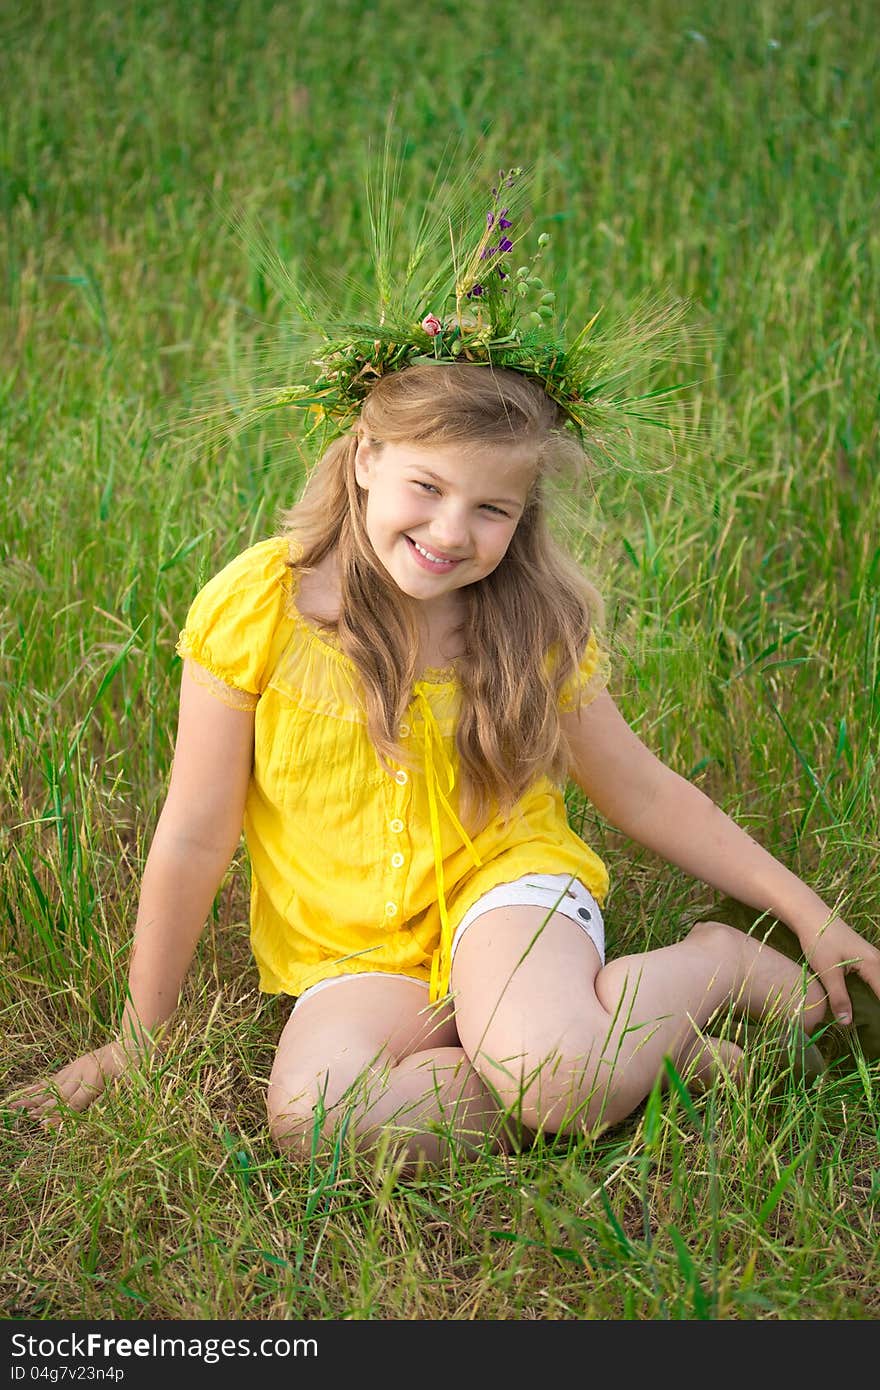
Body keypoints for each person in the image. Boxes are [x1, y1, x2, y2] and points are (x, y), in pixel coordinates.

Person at [11, 172, 880, 1171]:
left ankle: (708, 965)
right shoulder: (258, 608)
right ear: (366, 456)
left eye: (490, 511)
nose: (449, 533)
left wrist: (808, 911)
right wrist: (142, 1034)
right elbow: (195, 832)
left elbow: (642, 791)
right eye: (426, 486)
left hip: (503, 894)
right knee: (320, 1127)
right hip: (352, 952)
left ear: (523, 517)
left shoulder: (527, 622)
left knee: (549, 1073)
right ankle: (636, 1057)